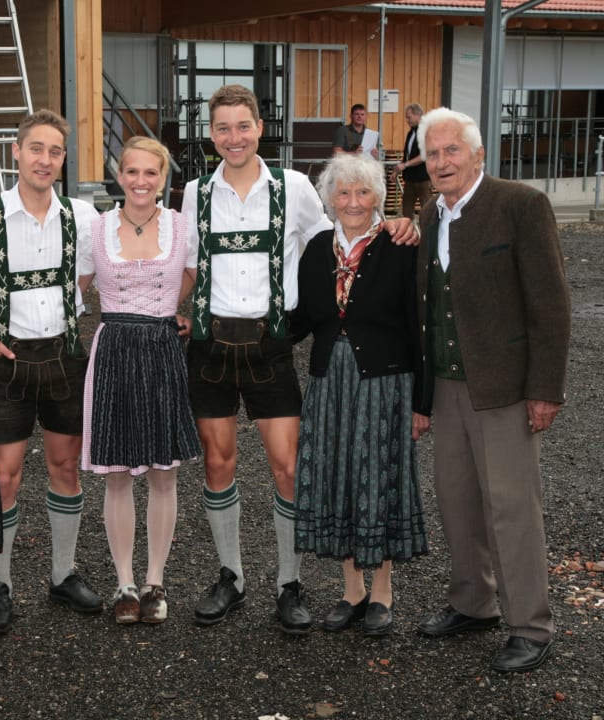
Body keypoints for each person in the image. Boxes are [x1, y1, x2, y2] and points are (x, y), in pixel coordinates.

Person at [182, 84, 418, 634]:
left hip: (271, 343)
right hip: (212, 346)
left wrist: (394, 224)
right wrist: (171, 310)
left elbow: (336, 242)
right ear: (211, 134)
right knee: (217, 464)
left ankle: (289, 582)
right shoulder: (195, 192)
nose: (234, 137)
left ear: (260, 128)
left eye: (243, 126)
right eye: (223, 128)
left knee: (288, 468)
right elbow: (189, 264)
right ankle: (231, 576)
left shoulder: (292, 187)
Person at [413, 107, 571, 673]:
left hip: (504, 388)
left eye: (452, 150)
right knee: (456, 500)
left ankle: (530, 625)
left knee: (510, 508)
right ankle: (473, 603)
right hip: (447, 385)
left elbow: (550, 304)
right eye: (433, 153)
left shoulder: (520, 205)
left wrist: (544, 389)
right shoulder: (430, 213)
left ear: (478, 154)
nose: (441, 162)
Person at [0, 109, 102, 634]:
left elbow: (86, 279)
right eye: (35, 148)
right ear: (15, 152)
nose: (45, 159)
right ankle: (1, 585)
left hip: (64, 355)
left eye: (55, 151)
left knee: (65, 467)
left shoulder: (84, 217)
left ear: (63, 159)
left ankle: (63, 573)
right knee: (4, 476)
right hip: (8, 361)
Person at [291, 153, 429, 637]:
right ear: (329, 198)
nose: (352, 202)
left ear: (377, 198)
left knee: (380, 479)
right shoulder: (316, 250)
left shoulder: (400, 244)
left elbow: (418, 327)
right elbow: (301, 320)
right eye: (343, 192)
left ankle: (383, 591)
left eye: (363, 192)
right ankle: (351, 589)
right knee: (337, 478)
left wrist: (422, 402)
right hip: (329, 381)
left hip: (384, 381)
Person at [78, 137, 200, 625]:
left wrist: (169, 310)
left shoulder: (181, 225)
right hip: (114, 348)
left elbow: (190, 275)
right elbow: (77, 288)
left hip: (161, 348)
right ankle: (125, 582)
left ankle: (155, 581)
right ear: (119, 175)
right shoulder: (97, 227)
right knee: (117, 474)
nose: (141, 181)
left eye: (151, 172)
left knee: (163, 474)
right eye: (132, 171)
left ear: (163, 177)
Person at [393, 103, 431, 218]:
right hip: (410, 178)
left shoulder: (426, 132)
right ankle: (408, 228)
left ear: (418, 115)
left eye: (409, 117)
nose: (407, 120)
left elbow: (424, 155)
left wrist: (405, 165)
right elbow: (407, 155)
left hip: (423, 178)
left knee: (427, 209)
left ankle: (428, 229)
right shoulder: (411, 133)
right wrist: (397, 171)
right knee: (407, 211)